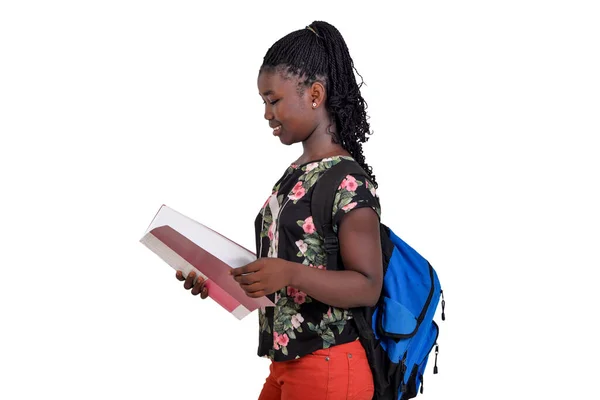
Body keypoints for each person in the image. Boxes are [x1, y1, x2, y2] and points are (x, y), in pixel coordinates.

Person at [176, 21, 383, 400]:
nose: (267, 114)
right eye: (263, 103)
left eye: (274, 100)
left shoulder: (348, 181)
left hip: (329, 365)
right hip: (286, 365)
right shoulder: (294, 175)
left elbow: (368, 286)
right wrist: (222, 280)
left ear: (316, 94)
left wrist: (286, 272)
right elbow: (282, 276)